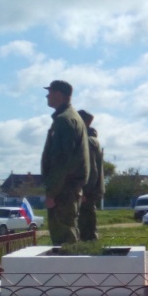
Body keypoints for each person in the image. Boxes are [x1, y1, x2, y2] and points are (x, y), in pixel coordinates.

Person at [41, 80, 89, 245]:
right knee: (69, 234)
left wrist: (52, 192)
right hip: (69, 188)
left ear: (60, 95)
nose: (47, 95)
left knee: (64, 240)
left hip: (64, 190)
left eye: (50, 91)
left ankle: (68, 272)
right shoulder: (72, 117)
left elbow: (61, 161)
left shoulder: (64, 120)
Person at [77, 109, 104, 242]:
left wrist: (84, 191)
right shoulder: (93, 140)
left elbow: (91, 170)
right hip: (92, 191)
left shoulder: (87, 142)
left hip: (87, 192)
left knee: (86, 230)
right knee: (88, 227)